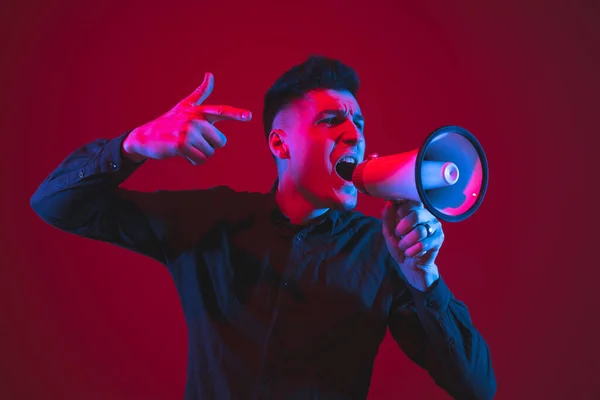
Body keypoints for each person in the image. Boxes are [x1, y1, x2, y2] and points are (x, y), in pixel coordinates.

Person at [30, 55, 496, 399]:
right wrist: (132, 145)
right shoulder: (209, 220)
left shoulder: (383, 252)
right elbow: (53, 204)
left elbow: (477, 387)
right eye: (332, 120)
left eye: (359, 122)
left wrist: (424, 279)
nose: (354, 134)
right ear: (280, 143)